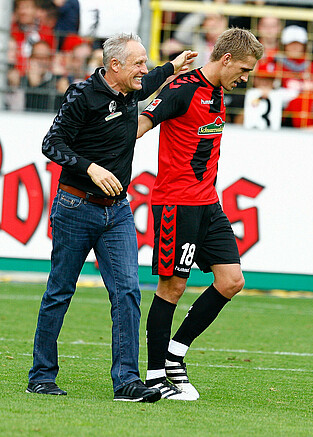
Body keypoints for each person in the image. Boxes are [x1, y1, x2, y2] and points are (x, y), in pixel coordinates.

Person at [26, 33, 197, 402]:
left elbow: (151, 81)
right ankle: (41, 376)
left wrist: (174, 66)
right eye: (138, 62)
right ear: (114, 66)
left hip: (117, 211)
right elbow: (51, 144)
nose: (145, 69)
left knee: (128, 293)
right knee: (59, 291)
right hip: (75, 207)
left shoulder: (130, 89)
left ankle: (126, 382)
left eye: (146, 61)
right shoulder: (82, 95)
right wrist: (90, 168)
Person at [137, 27, 263, 400]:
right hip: (177, 203)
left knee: (231, 281)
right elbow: (140, 126)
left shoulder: (219, 90)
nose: (245, 77)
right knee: (172, 287)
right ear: (225, 59)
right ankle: (157, 375)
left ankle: (176, 355)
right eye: (243, 68)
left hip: (208, 203)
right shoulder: (183, 89)